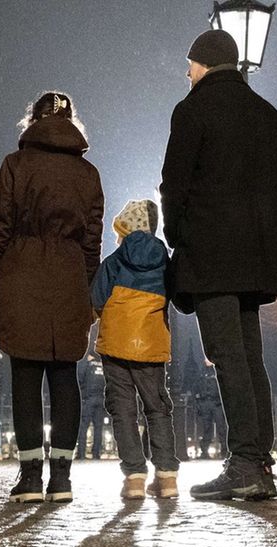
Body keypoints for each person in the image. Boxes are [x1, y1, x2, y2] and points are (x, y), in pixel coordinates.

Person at [160, 31, 277, 501]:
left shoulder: (192, 110)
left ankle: (244, 463)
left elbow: (173, 184)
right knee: (251, 358)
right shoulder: (272, 119)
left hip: (211, 255)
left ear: (206, 64)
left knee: (228, 358)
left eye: (190, 64)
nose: (187, 73)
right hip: (256, 255)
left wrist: (178, 236)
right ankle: (259, 460)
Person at [0, 91, 103, 504]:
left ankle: (31, 476)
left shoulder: (16, 165)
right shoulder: (88, 174)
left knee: (26, 377)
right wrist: (83, 289)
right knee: (65, 377)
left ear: (32, 121)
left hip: (21, 274)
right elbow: (91, 244)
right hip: (68, 277)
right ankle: (63, 477)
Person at [92, 199, 179, 499]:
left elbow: (96, 299)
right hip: (152, 344)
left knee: (123, 411)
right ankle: (167, 477)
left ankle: (134, 478)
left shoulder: (114, 261)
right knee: (157, 409)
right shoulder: (165, 261)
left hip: (116, 345)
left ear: (127, 228)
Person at [76, 353, 107, 461]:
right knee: (98, 428)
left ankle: (81, 453)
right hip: (101, 399)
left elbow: (79, 378)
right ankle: (96, 454)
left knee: (83, 427)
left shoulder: (87, 363)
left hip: (88, 399)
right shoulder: (103, 364)